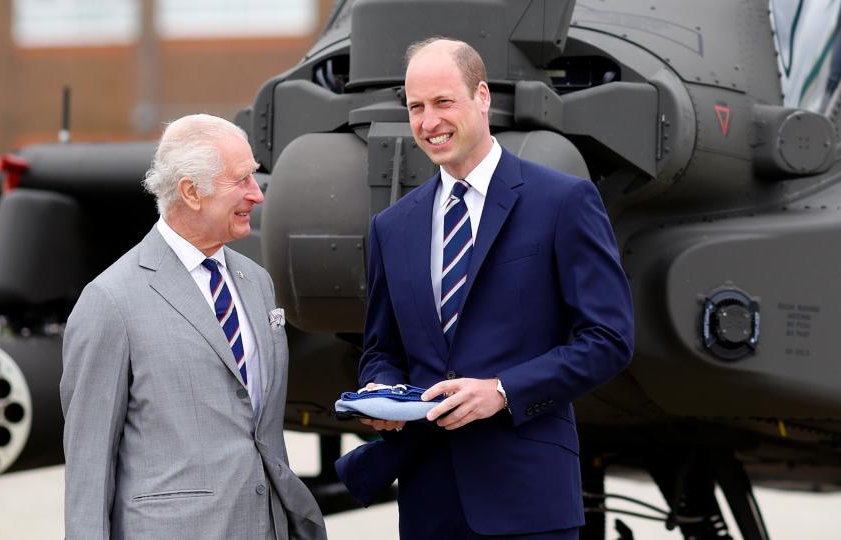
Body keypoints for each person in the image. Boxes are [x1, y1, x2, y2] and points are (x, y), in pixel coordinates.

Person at [339, 38, 634, 539]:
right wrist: (380, 392)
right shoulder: (392, 226)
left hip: (529, 501)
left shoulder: (563, 202)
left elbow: (609, 340)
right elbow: (382, 349)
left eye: (442, 103)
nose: (428, 123)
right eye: (415, 107)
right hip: (429, 502)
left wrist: (502, 392)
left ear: (481, 96)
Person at [60, 113, 326, 540]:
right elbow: (89, 463)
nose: (257, 194)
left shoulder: (257, 282)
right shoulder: (110, 301)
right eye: (241, 180)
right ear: (191, 192)